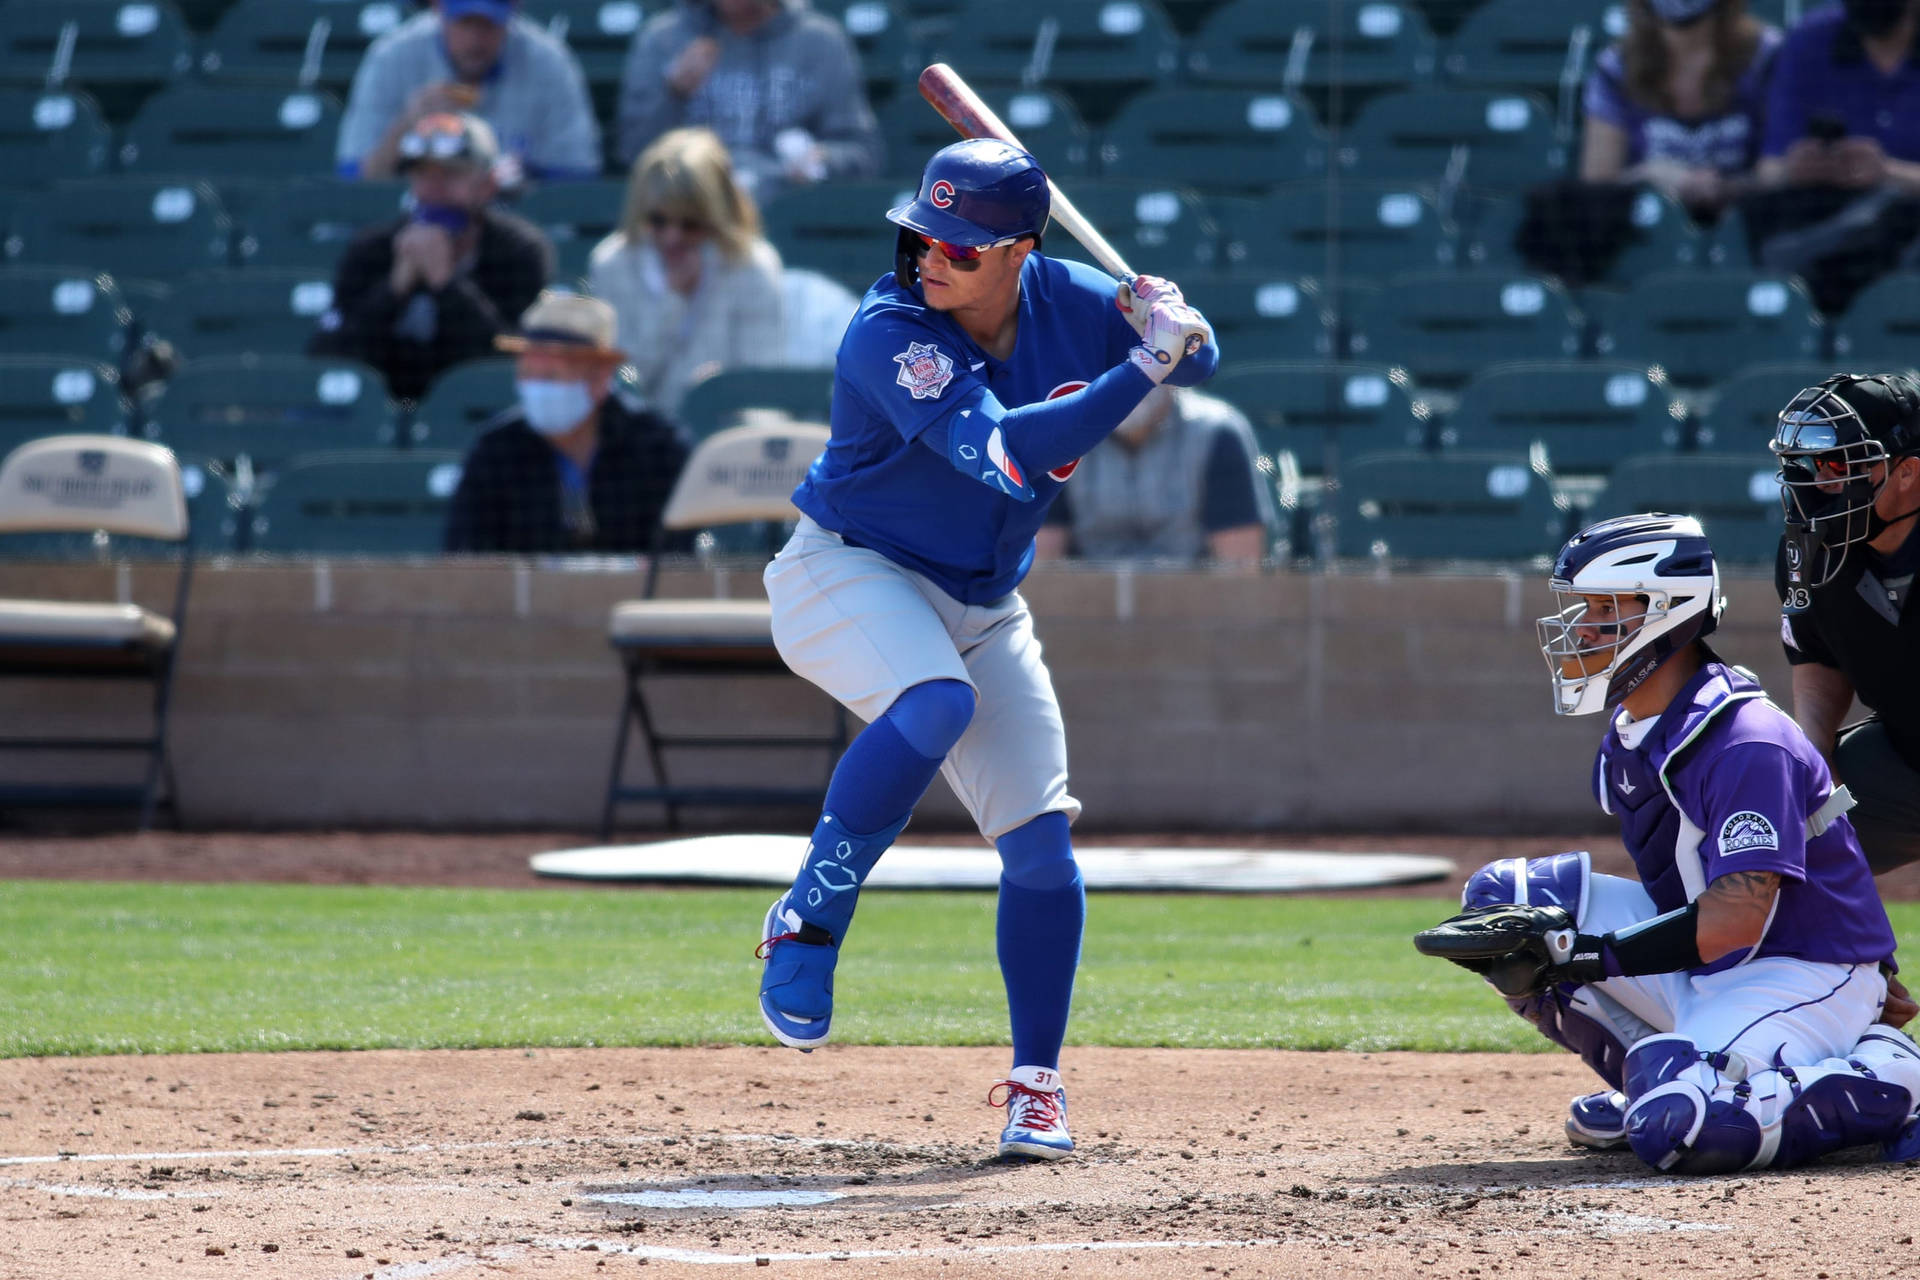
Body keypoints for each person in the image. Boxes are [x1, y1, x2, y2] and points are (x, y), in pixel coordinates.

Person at [751, 139, 1218, 1161]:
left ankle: (1036, 1088)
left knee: (1042, 847)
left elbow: (1203, 358)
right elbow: (1010, 457)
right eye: (923, 235)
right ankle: (810, 916)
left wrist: (1167, 320)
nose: (932, 257)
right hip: (847, 569)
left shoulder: (1074, 298)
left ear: (1019, 251)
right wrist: (1147, 359)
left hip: (982, 601)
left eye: (961, 247)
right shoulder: (890, 329)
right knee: (934, 703)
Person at [1413, 513, 1920, 1176]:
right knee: (1508, 905)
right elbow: (1679, 893)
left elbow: (1737, 918)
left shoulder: (1747, 739)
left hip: (1803, 967)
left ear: (1664, 614)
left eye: (1602, 609)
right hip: (1719, 965)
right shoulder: (1639, 729)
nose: (1581, 629)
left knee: (1684, 1131)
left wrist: (1586, 955)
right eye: (1580, 609)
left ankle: (1894, 1078)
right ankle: (1660, 1082)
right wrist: (1576, 949)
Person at [1772, 372, 1920, 877]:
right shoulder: (1810, 551)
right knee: (1790, 826)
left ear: (1907, 473)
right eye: (1808, 465)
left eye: (1838, 463)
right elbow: (1817, 653)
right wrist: (1814, 759)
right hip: (1906, 760)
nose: (1819, 482)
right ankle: (1820, 958)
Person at [311, 112, 553, 402]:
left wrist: (447, 283)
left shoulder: (519, 250)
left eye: (451, 173)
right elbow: (329, 358)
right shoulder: (373, 249)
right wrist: (393, 290)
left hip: (476, 412)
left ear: (487, 185)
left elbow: (510, 361)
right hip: (384, 412)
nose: (434, 188)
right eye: (422, 173)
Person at [444, 290, 691, 553]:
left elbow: (679, 559)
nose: (536, 389)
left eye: (551, 376)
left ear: (599, 378)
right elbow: (465, 555)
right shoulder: (495, 452)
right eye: (528, 374)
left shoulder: (658, 449)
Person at [587, 127, 784, 416]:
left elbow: (761, 395)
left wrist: (719, 391)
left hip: (723, 440)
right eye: (658, 220)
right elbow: (622, 383)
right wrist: (672, 304)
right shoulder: (611, 264)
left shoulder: (753, 267)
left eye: (690, 223)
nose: (672, 237)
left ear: (717, 217)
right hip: (635, 445)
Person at [1744, 0, 1920, 308]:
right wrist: (1797, 167)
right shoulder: (1809, 41)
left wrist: (1886, 172)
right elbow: (1769, 170)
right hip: (1829, 224)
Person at [616, 0, 881, 198]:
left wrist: (822, 159)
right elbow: (633, 154)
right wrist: (673, 94)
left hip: (789, 211)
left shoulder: (821, 41)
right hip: (693, 215)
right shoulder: (663, 38)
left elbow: (863, 153)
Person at [336, 0, 601, 182]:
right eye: (465, 22)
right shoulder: (392, 58)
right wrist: (405, 126)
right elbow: (356, 178)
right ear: (438, 8)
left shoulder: (549, 63)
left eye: (488, 24)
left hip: (517, 222)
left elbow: (576, 175)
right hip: (408, 217)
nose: (475, 39)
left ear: (514, 9)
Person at [1580, 0, 1781, 215]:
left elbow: (1786, 174)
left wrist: (1722, 188)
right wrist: (1650, 176)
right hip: (1651, 235)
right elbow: (1596, 189)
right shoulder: (1616, 69)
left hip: (1753, 231)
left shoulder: (1768, 57)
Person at [1032, 385, 1272, 565]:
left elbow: (1241, 569)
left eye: (1145, 363)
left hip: (1196, 615)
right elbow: (1045, 566)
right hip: (1087, 615)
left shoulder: (1218, 432)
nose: (1130, 381)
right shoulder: (1063, 434)